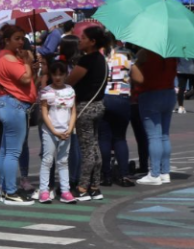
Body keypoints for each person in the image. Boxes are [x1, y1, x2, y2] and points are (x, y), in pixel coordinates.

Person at [0, 25, 39, 205]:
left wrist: (29, 66)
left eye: (22, 38)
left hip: (10, 104)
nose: (21, 42)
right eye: (17, 38)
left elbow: (27, 82)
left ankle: (5, 189)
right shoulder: (8, 58)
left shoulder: (8, 57)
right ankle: (11, 192)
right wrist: (28, 64)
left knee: (6, 150)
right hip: (14, 105)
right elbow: (26, 79)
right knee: (13, 152)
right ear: (6, 40)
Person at [65, 24, 109, 200]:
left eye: (83, 38)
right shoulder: (101, 59)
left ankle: (82, 186)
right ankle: (95, 185)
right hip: (98, 105)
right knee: (94, 146)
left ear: (92, 42)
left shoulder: (87, 60)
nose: (80, 41)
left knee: (86, 149)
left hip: (85, 107)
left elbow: (70, 81)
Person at [132, 48, 179, 185]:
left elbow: (138, 78)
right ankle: (165, 172)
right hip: (169, 93)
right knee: (164, 135)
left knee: (154, 136)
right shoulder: (172, 52)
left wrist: (134, 64)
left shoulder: (145, 53)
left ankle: (154, 174)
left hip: (150, 93)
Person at [38, 61, 77, 203]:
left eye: (61, 74)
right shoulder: (46, 91)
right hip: (50, 131)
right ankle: (44, 191)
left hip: (66, 131)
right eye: (55, 74)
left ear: (66, 75)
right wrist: (53, 130)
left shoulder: (70, 90)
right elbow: (44, 112)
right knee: (47, 160)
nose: (58, 77)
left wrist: (70, 128)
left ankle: (65, 191)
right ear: (50, 75)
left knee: (63, 161)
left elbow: (73, 112)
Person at [98, 35, 135, 188]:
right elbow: (139, 77)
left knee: (104, 138)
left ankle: (106, 175)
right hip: (122, 97)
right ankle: (124, 175)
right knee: (120, 138)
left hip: (104, 97)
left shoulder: (100, 55)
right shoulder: (127, 53)